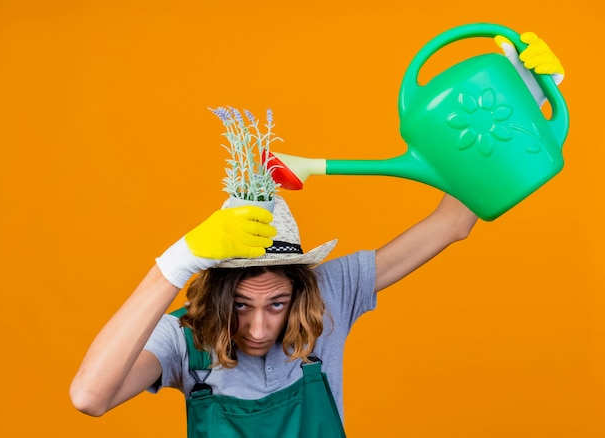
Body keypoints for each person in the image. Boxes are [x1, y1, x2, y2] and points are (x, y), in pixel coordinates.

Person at [70, 32, 565, 436]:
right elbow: (90, 398)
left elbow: (453, 221)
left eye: (277, 304)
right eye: (242, 305)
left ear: (301, 289)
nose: (260, 330)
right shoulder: (185, 338)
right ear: (217, 294)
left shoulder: (330, 292)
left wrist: (518, 100)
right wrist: (178, 261)